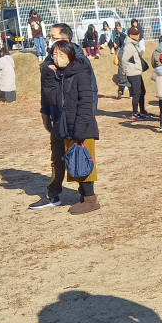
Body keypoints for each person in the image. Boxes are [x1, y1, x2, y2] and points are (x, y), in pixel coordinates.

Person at [31, 22, 98, 211]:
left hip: (77, 119)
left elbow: (89, 94)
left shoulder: (79, 62)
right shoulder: (50, 61)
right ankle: (53, 194)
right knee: (58, 156)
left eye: (54, 38)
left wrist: (84, 122)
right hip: (58, 117)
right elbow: (48, 93)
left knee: (80, 156)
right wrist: (45, 112)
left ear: (66, 40)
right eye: (50, 38)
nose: (50, 41)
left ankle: (88, 197)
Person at [119, 28, 151, 121]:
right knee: (137, 93)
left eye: (138, 34)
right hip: (132, 72)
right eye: (136, 34)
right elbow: (124, 59)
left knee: (142, 91)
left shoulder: (133, 44)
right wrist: (124, 71)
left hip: (137, 71)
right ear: (130, 35)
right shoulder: (129, 46)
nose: (138, 36)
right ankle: (135, 113)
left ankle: (142, 111)